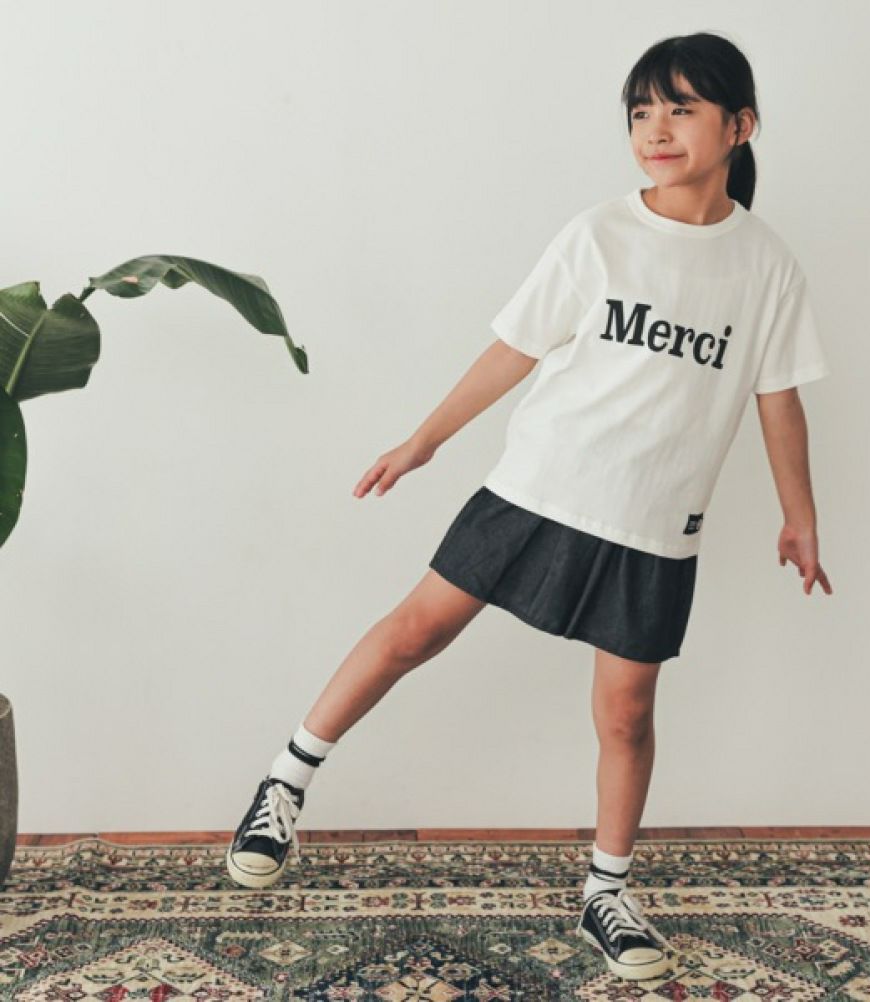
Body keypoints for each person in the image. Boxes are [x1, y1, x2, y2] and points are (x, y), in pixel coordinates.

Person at [226, 30, 834, 984]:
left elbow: (779, 395)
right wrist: (424, 440)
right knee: (415, 632)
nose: (655, 129)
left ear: (740, 126)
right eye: (641, 111)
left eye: (680, 109)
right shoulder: (600, 234)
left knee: (626, 714)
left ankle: (606, 892)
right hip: (540, 487)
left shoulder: (767, 265)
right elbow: (515, 347)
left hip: (655, 521)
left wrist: (799, 517)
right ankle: (285, 782)